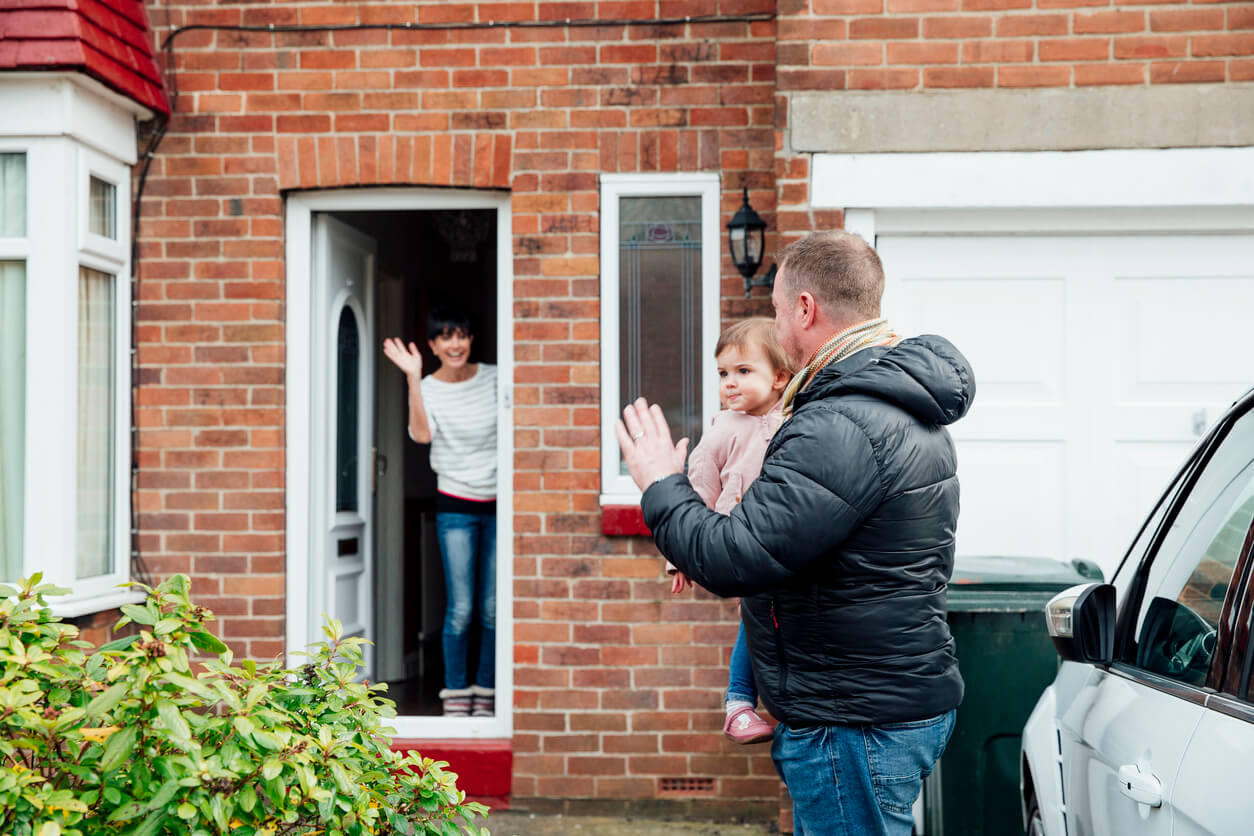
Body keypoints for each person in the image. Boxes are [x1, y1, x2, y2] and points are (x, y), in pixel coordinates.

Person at [615, 230, 975, 836]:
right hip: (877, 705)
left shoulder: (840, 424)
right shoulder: (890, 403)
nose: (776, 323)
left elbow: (737, 557)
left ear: (805, 309)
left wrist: (660, 484)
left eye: (779, 309)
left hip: (852, 721)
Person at [665, 317, 793, 745]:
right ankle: (738, 704)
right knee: (753, 622)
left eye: (743, 371)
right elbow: (698, 489)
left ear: (779, 376)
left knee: (782, 621)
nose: (730, 384)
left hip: (788, 543)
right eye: (723, 374)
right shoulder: (723, 430)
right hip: (741, 543)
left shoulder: (796, 418)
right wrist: (680, 555)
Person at [383, 306, 497, 718]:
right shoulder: (428, 386)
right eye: (445, 337)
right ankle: (455, 693)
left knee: (492, 607)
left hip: (499, 504)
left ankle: (485, 690)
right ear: (432, 345)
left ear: (470, 339)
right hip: (455, 505)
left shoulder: (495, 377)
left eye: (461, 334)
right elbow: (421, 434)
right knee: (462, 607)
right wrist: (413, 377)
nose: (455, 344)